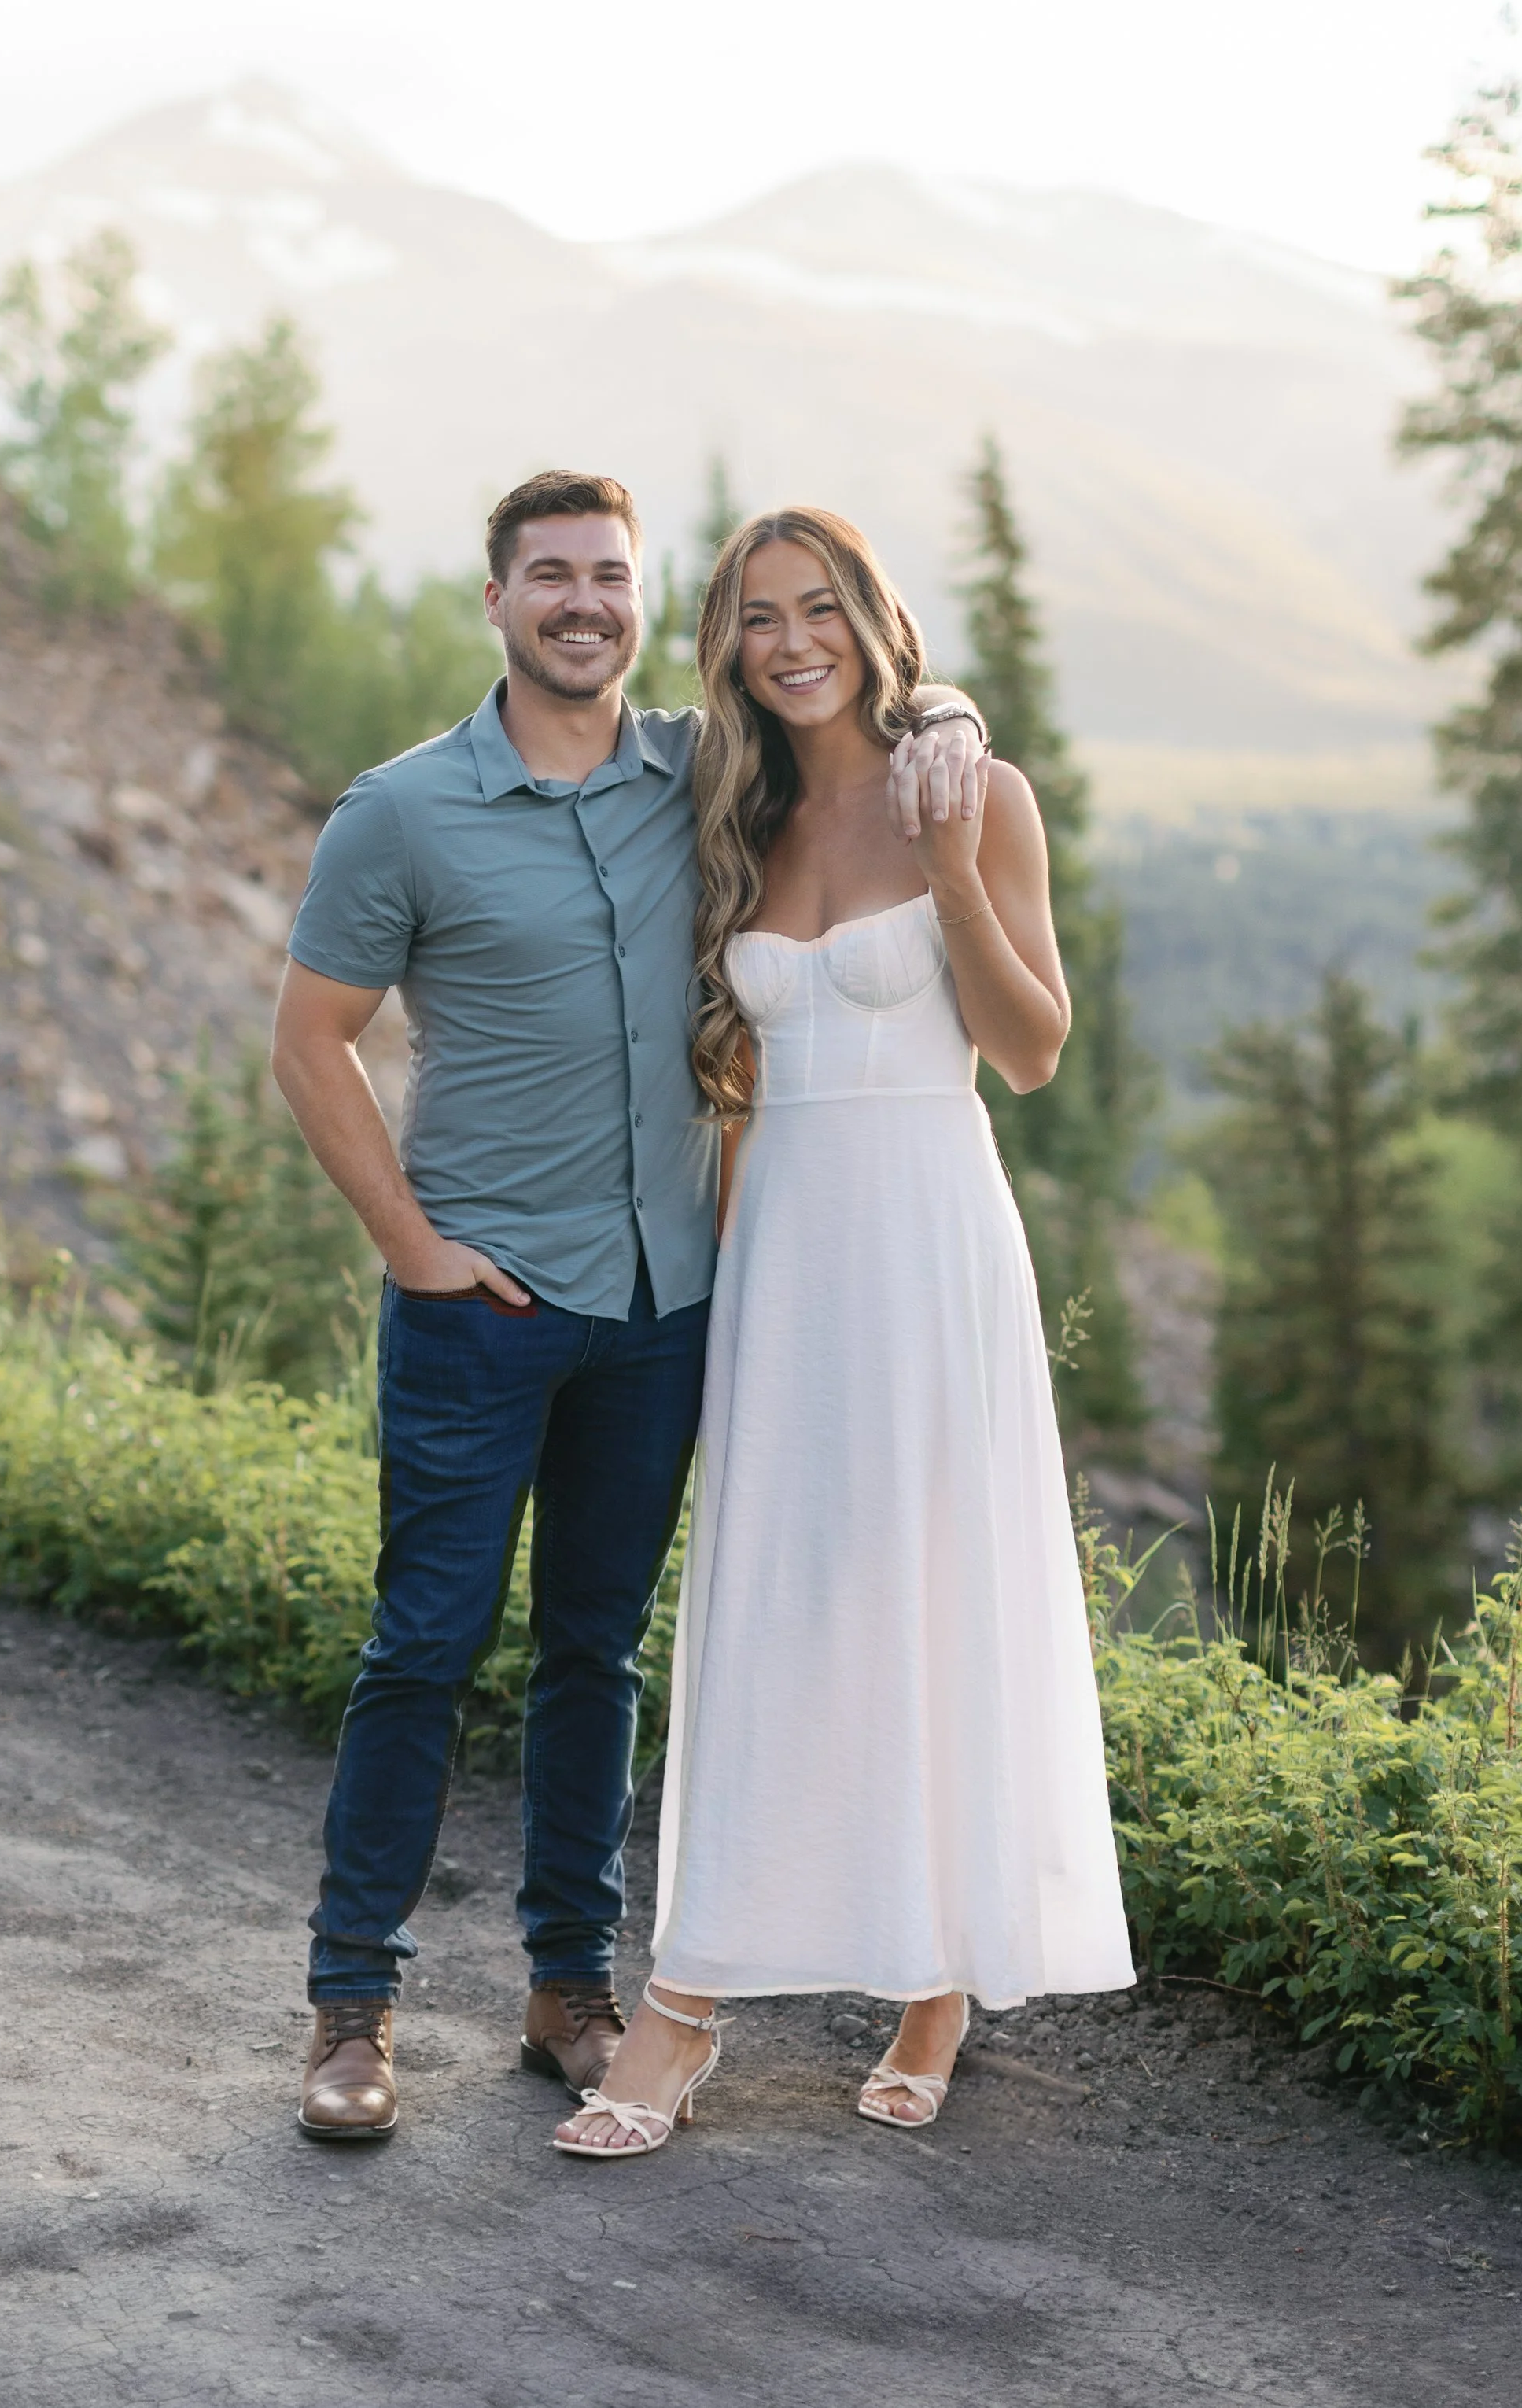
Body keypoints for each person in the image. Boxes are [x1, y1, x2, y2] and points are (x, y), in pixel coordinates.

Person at [271, 470, 985, 2140]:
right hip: (481, 1303)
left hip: (666, 1305)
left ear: (639, 604)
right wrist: (408, 1245)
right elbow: (309, 1042)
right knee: (421, 1648)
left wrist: (943, 706)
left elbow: (847, 731)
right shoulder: (402, 809)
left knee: (594, 1653)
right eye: (549, 577)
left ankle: (565, 1988)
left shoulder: (698, 777)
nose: (581, 602)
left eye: (607, 576)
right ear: (498, 600)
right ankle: (351, 2006)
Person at [554, 506, 1134, 2159]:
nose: (789, 638)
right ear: (727, 643)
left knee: (931, 1594)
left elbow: (1027, 1049)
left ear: (874, 619)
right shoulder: (731, 808)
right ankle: (689, 1999)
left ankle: (933, 1981)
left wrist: (948, 857)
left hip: (931, 1233)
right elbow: (731, 1092)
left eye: (817, 607)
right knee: (771, 1607)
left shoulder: (975, 789)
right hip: (784, 1256)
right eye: (755, 615)